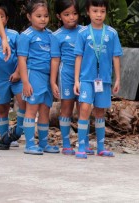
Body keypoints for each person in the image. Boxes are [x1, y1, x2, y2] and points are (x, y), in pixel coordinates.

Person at [73, 0, 121, 159]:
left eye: (102, 11)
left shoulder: (112, 33)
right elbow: (78, 57)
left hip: (104, 80)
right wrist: (76, 80)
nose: (99, 15)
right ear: (88, 12)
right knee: (85, 109)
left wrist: (118, 79)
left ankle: (101, 147)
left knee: (100, 111)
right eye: (95, 11)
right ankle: (81, 146)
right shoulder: (83, 33)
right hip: (86, 79)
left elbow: (116, 57)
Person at [18, 0, 59, 155]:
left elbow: (55, 59)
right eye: (38, 16)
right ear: (29, 17)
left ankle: (43, 143)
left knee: (45, 110)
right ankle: (29, 144)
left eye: (46, 16)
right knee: (32, 108)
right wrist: (25, 82)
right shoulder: (26, 36)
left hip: (47, 78)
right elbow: (22, 60)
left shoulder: (51, 35)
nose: (43, 19)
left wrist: (53, 81)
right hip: (33, 75)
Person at [51, 0, 87, 156]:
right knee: (66, 107)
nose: (71, 17)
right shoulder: (56, 36)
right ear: (59, 16)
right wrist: (53, 81)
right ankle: (66, 143)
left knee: (83, 109)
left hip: (85, 76)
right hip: (66, 75)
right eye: (66, 14)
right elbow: (55, 60)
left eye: (74, 14)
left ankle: (83, 143)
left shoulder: (85, 31)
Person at [0, 2, 26, 150]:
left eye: (1, 16)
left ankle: (17, 132)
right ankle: (5, 138)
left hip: (16, 77)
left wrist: (18, 73)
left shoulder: (14, 35)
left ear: (6, 19)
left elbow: (22, 55)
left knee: (23, 102)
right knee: (2, 109)